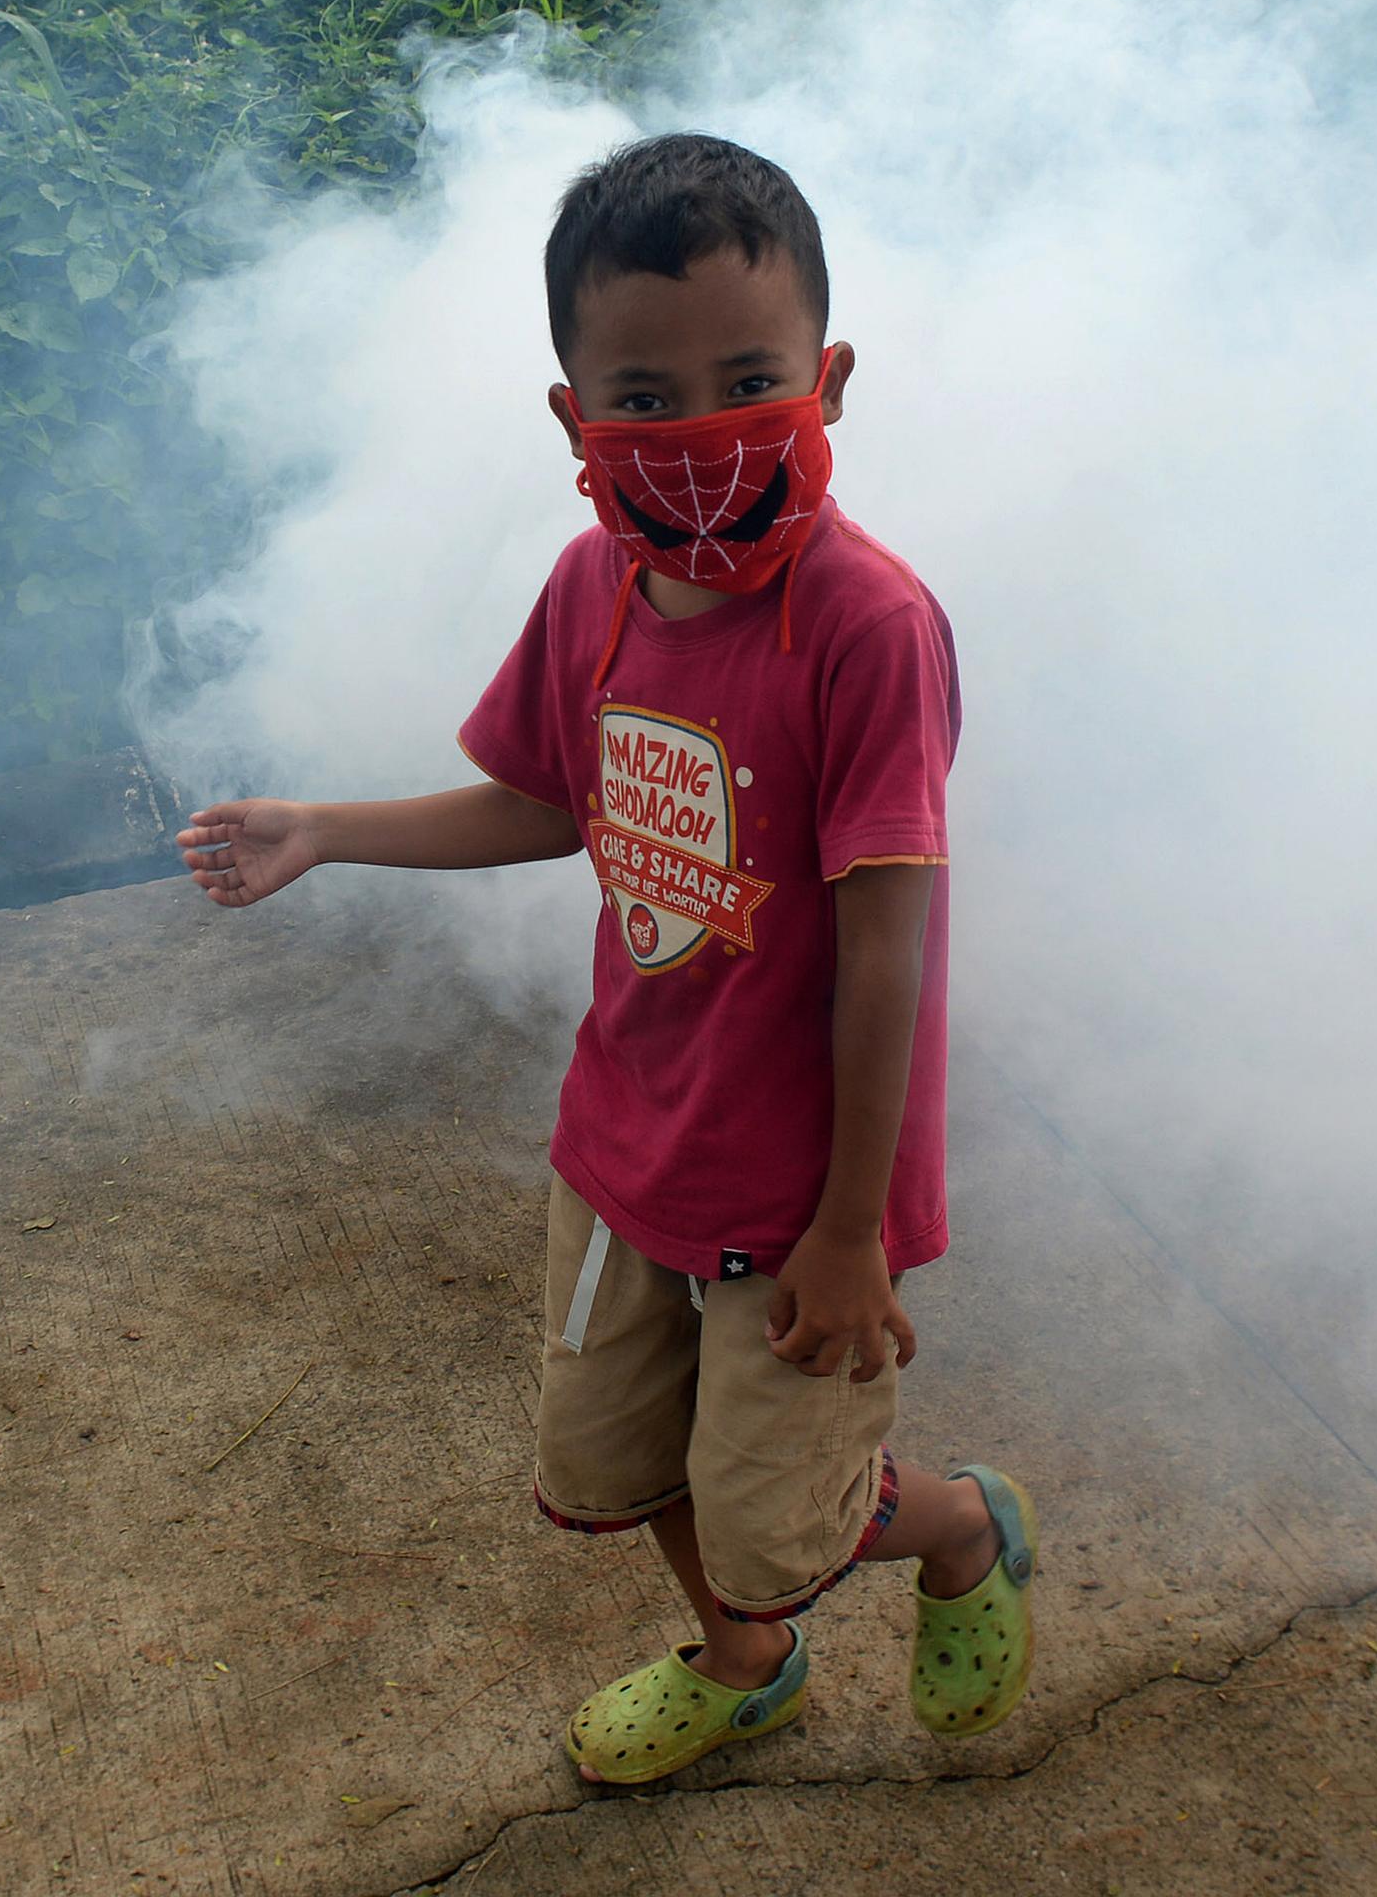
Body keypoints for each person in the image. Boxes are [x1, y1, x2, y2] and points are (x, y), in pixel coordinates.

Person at [173, 132, 1034, 1785]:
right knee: (629, 1456)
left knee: (792, 1504)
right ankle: (745, 1665)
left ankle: (956, 1528)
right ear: (571, 417)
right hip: (627, 1143)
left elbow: (886, 958)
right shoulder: (597, 586)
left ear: (830, 384)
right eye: (641, 397)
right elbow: (545, 800)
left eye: (748, 379)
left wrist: (853, 1227)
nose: (695, 431)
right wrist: (329, 830)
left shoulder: (869, 627)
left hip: (798, 1201)